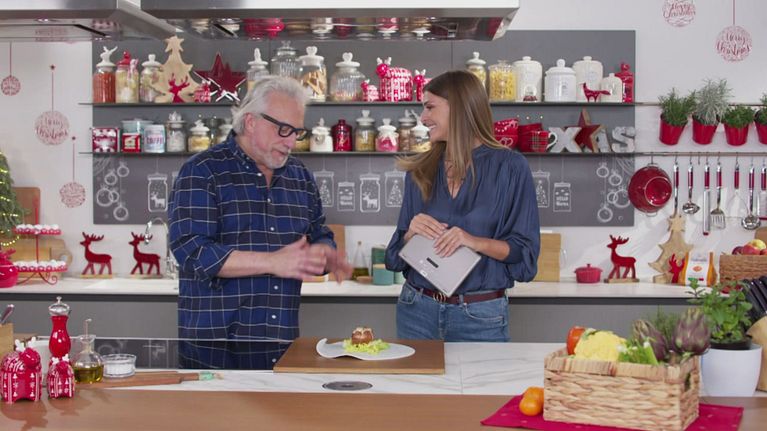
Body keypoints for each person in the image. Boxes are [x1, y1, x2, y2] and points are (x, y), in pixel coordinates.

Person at [169, 76, 352, 369]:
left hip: (281, 348)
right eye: (283, 129)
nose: (291, 141)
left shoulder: (299, 177)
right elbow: (192, 252)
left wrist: (324, 253)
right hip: (214, 353)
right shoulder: (202, 172)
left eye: (297, 132)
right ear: (251, 122)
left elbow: (319, 231)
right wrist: (272, 262)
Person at [384, 70, 540, 342]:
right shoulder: (419, 171)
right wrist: (409, 234)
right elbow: (394, 258)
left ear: (458, 108)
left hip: (480, 316)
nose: (423, 118)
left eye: (430, 107)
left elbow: (525, 256)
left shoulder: (510, 168)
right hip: (416, 310)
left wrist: (473, 241)